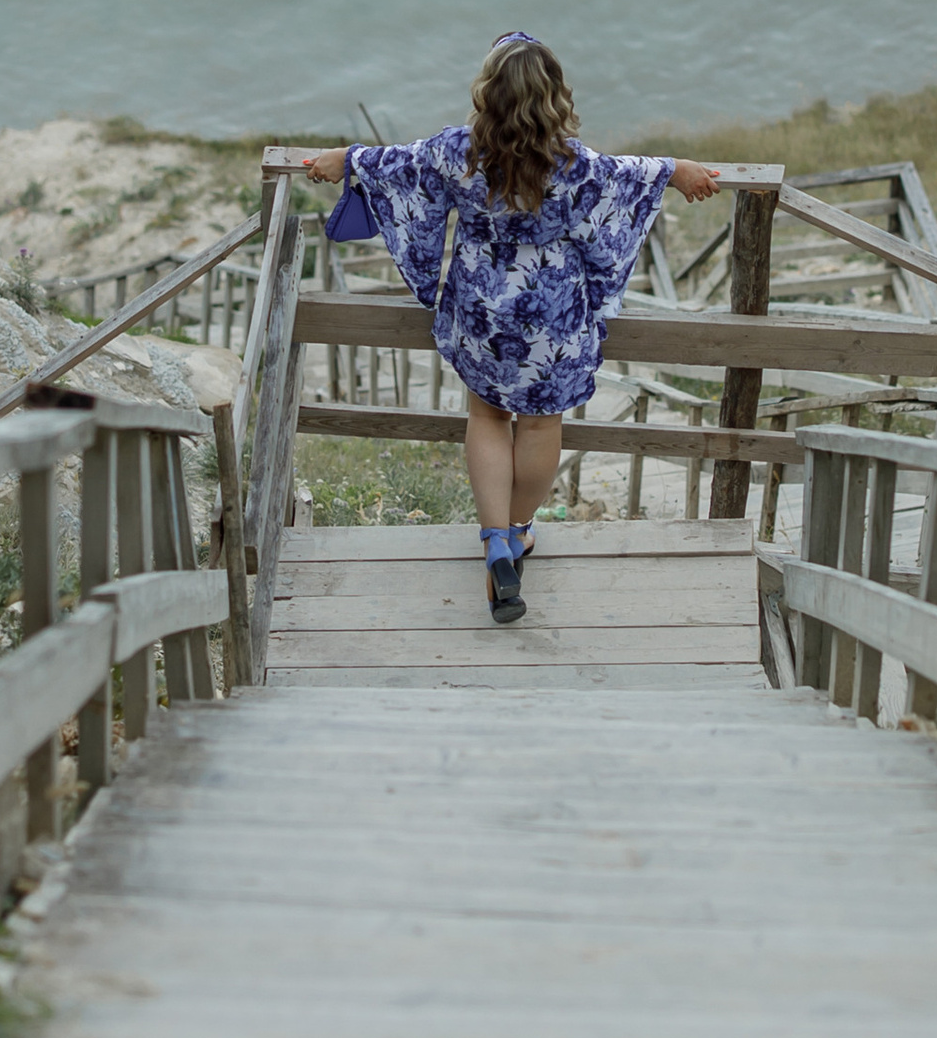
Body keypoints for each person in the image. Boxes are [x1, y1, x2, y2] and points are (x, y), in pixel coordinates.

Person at [303, 33, 722, 624]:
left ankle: (495, 539)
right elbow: (631, 177)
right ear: (553, 96)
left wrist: (344, 159)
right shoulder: (573, 163)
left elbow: (395, 163)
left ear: (488, 92)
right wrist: (677, 169)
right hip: (551, 314)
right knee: (542, 423)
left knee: (487, 416)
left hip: (481, 307)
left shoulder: (459, 151)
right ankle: (518, 531)